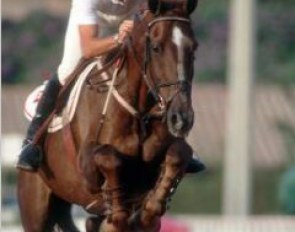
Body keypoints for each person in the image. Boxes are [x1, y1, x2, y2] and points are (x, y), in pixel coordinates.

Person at [16, 0, 205, 174]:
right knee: (66, 71)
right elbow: (89, 49)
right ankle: (32, 141)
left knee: (151, 72)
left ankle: (177, 139)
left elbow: (159, 24)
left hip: (128, 26)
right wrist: (119, 38)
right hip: (89, 30)